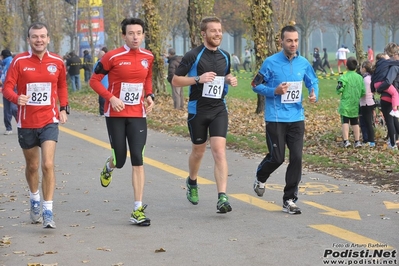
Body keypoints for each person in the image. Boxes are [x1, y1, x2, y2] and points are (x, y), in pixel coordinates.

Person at [2, 22, 69, 229]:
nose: (39, 40)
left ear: (48, 38)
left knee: (47, 164)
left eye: (42, 36)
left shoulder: (57, 61)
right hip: (26, 122)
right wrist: (17, 97)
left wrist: (64, 107)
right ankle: (34, 198)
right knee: (32, 166)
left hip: (49, 120)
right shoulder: (19, 61)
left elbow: (62, 85)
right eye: (34, 36)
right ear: (29, 39)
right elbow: (7, 88)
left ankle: (48, 210)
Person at [89, 17, 155, 226]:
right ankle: (109, 167)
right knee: (120, 160)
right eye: (131, 33)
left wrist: (149, 95)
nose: (135, 37)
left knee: (138, 158)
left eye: (139, 33)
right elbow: (94, 80)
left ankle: (137, 209)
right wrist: (111, 98)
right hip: (115, 113)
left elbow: (147, 78)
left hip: (137, 114)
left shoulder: (148, 56)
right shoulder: (112, 57)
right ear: (124, 35)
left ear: (143, 35)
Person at [172, 16, 238, 214]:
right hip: (198, 110)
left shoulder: (225, 56)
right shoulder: (193, 55)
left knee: (219, 151)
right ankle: (192, 181)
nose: (218, 34)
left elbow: (222, 78)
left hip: (219, 108)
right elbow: (175, 80)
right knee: (198, 151)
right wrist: (198, 79)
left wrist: (228, 80)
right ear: (204, 34)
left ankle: (222, 197)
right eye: (213, 31)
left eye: (219, 30)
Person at [251, 25, 319, 215]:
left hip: (296, 117)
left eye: (296, 40)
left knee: (296, 158)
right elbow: (255, 85)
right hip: (276, 118)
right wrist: (274, 91)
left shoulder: (303, 63)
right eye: (289, 40)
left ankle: (289, 199)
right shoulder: (270, 63)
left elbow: (312, 81)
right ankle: (261, 175)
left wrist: (314, 93)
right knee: (278, 158)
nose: (293, 44)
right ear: (281, 41)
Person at [371, 43, 399, 149]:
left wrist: (378, 88)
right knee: (394, 120)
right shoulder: (394, 64)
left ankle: (392, 143)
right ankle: (394, 140)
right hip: (394, 97)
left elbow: (388, 81)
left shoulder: (393, 66)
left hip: (388, 96)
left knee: (390, 121)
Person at [336, 57, 366, 148]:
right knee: (355, 122)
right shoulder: (360, 78)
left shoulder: (343, 77)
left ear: (346, 66)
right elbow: (363, 91)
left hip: (345, 103)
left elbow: (339, 89)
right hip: (355, 103)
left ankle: (346, 141)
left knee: (345, 122)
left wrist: (339, 90)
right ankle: (357, 141)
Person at [371, 53, 399, 118]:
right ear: (384, 58)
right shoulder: (386, 62)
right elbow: (396, 63)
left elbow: (372, 79)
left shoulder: (377, 66)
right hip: (382, 83)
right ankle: (395, 110)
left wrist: (373, 90)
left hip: (376, 84)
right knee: (395, 93)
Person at [0, 49, 18, 135]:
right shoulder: (13, 61)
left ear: (2, 56)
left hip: (9, 87)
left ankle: (9, 128)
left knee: (9, 108)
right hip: (14, 86)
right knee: (14, 107)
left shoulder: (9, 63)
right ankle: (21, 124)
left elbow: (3, 77)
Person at [359, 60, 376, 147]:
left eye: (361, 67)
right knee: (368, 121)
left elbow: (364, 92)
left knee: (368, 122)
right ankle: (370, 140)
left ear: (364, 69)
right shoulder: (370, 77)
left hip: (366, 103)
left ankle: (371, 140)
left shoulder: (365, 79)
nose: (360, 69)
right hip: (369, 102)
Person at [94, 47, 108, 116]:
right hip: (108, 83)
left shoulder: (99, 63)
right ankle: (105, 112)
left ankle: (102, 112)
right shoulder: (109, 61)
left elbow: (94, 71)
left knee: (102, 99)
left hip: (102, 83)